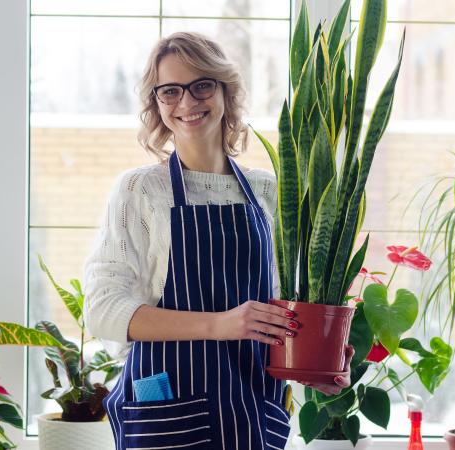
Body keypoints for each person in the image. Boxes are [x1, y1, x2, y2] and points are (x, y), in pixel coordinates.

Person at [83, 31, 352, 450]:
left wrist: (317, 361)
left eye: (201, 85)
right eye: (170, 91)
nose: (187, 103)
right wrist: (221, 324)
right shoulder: (139, 190)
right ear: (156, 103)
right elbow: (103, 311)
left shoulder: (268, 190)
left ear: (226, 92)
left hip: (250, 405)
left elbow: (278, 306)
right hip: (169, 403)